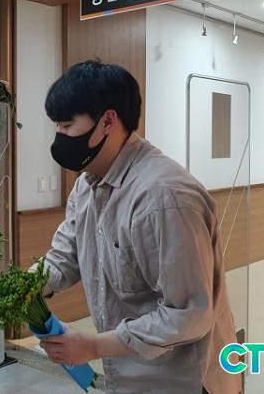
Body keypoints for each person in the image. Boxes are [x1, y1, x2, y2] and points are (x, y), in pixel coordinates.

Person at [33, 61, 242, 394]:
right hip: (129, 375)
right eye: (57, 126)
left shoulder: (164, 198)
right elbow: (63, 259)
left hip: (182, 382)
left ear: (108, 121)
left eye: (67, 125)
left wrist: (92, 346)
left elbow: (188, 314)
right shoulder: (87, 185)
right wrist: (13, 289)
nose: (60, 137)